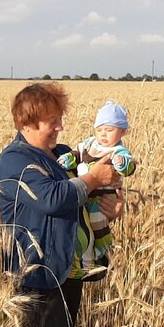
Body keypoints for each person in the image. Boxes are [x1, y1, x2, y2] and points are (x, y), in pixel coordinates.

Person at [0, 82, 123, 327]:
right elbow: (52, 198)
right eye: (52, 120)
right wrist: (93, 180)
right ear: (27, 124)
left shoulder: (63, 153)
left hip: (67, 272)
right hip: (38, 275)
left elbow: (84, 196)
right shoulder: (14, 160)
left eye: (59, 119)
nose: (60, 127)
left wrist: (110, 206)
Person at [56, 101, 136, 280]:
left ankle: (101, 247)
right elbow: (77, 152)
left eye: (109, 130)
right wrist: (69, 158)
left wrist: (122, 164)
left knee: (97, 222)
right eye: (99, 130)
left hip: (101, 198)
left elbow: (129, 167)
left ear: (122, 132)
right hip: (84, 194)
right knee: (84, 224)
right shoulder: (89, 144)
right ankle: (88, 254)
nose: (103, 135)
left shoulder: (119, 151)